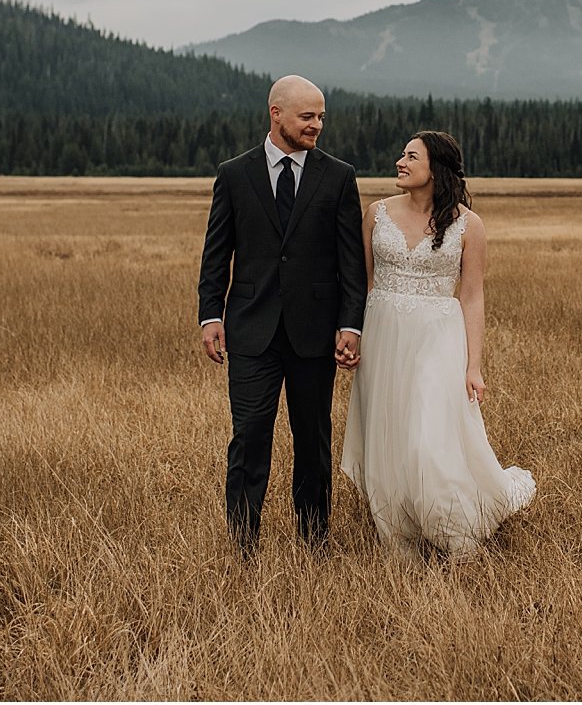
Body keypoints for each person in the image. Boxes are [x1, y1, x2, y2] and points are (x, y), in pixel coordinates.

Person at [341, 130, 534, 559]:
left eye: (411, 156)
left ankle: (456, 534)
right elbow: (364, 284)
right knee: (387, 434)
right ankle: (399, 537)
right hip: (384, 334)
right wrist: (353, 334)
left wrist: (473, 366)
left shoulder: (469, 225)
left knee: (426, 438)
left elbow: (471, 296)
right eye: (402, 154)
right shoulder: (376, 214)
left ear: (436, 168)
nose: (400, 162)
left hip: (438, 339)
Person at [198, 75, 368, 556]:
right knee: (249, 437)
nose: (317, 126)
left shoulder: (338, 175)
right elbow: (216, 253)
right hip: (250, 330)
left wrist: (350, 325)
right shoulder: (234, 174)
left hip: (314, 333)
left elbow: (350, 261)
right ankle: (241, 545)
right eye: (307, 117)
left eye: (321, 117)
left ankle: (314, 542)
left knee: (312, 441)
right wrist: (210, 314)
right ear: (276, 114)